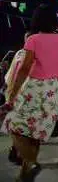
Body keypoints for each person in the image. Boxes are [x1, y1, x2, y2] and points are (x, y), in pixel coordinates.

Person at [0, 5, 58, 182]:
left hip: (34, 88)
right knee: (36, 132)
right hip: (54, 90)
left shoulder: (33, 39)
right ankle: (27, 167)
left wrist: (12, 94)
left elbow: (24, 69)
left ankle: (28, 162)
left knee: (14, 125)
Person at [4, 32, 31, 166]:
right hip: (27, 91)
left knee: (17, 123)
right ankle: (19, 151)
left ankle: (16, 150)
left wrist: (9, 90)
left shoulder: (20, 53)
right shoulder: (29, 54)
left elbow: (10, 75)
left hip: (16, 91)